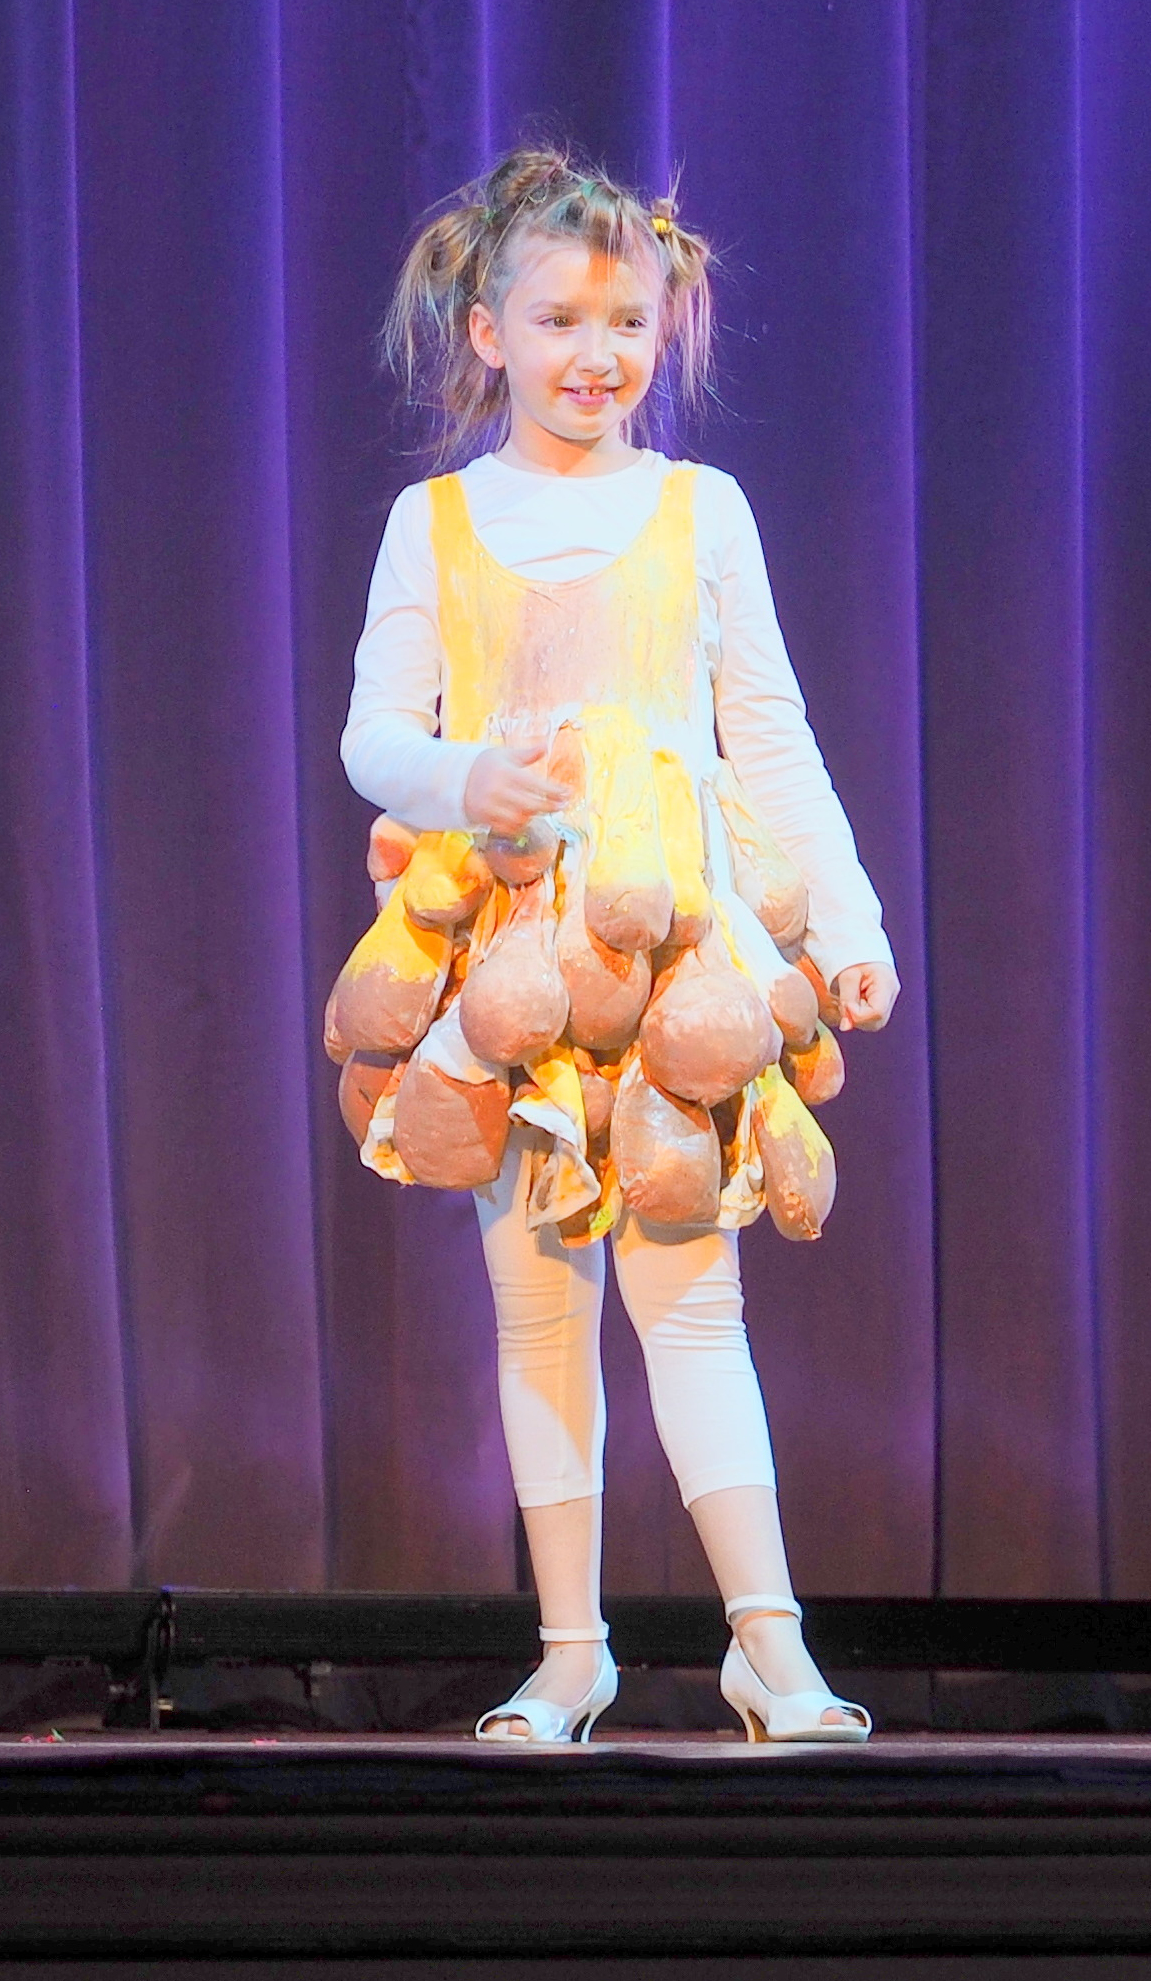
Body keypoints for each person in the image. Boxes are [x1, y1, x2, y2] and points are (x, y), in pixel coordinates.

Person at [336, 147, 899, 1744]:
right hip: (512, 962)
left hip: (672, 971)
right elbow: (376, 736)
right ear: (488, 332)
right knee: (538, 1308)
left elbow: (769, 738)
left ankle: (770, 1648)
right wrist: (468, 777)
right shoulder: (436, 522)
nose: (599, 353)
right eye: (561, 320)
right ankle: (570, 1649)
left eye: (628, 322)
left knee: (691, 1301)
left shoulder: (703, 512)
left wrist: (846, 916)